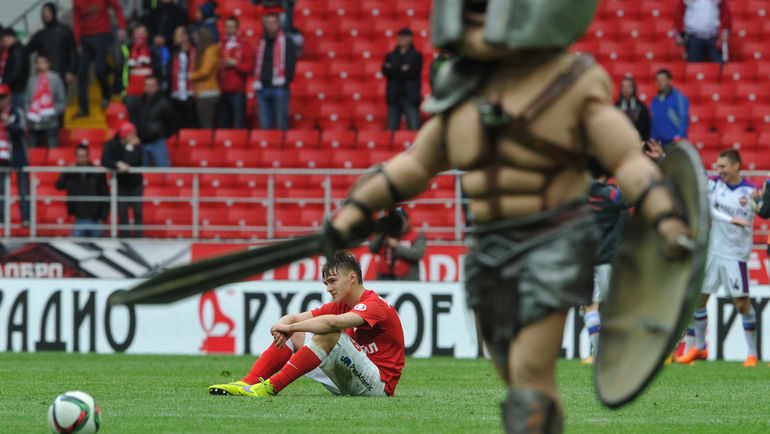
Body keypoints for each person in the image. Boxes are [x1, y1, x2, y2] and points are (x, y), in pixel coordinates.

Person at [324, 2, 692, 430]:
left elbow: (627, 159)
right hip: (488, 254)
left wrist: (666, 216)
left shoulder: (570, 86)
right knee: (513, 372)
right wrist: (355, 208)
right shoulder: (462, 93)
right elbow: (414, 165)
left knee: (530, 382)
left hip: (552, 243)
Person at [208, 250, 405, 397]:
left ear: (352, 277)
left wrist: (290, 327)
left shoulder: (374, 304)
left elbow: (332, 323)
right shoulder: (341, 305)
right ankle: (247, 383)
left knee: (328, 333)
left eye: (333, 281)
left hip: (379, 386)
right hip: (353, 376)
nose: (328, 288)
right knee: (296, 334)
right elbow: (293, 319)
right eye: (326, 283)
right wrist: (283, 327)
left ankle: (270, 387)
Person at [677, 149, 759, 367]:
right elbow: (709, 209)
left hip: (736, 255)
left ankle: (752, 353)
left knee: (742, 305)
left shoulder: (751, 190)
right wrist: (732, 219)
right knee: (699, 300)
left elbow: (762, 209)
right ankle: (700, 348)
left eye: (723, 166)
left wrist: (759, 202)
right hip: (713, 252)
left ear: (736, 166)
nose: (719, 170)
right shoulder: (714, 184)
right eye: (718, 166)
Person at [581, 177, 631, 364]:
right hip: (609, 258)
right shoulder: (611, 194)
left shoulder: (577, 193)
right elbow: (633, 200)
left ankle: (599, 354)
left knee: (590, 305)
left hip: (585, 258)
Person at [72, 0, 127, 118]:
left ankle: (106, 96)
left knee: (99, 70)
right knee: (82, 72)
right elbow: (76, 20)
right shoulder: (77, 1)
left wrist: (121, 27)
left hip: (102, 34)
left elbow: (117, 7)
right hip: (85, 37)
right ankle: (83, 108)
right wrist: (78, 43)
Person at [55, 144, 110, 237]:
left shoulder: (97, 174)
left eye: (84, 156)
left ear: (88, 156)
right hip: (79, 219)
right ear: (76, 157)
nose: (82, 159)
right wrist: (66, 171)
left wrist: (103, 217)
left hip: (95, 220)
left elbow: (105, 196)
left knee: (96, 249)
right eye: (80, 156)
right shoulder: (72, 173)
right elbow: (59, 186)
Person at [254, 13, 296, 130]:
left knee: (282, 124)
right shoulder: (261, 42)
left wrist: (285, 80)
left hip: (280, 88)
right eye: (268, 23)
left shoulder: (286, 42)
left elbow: (291, 63)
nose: (270, 26)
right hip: (263, 88)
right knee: (265, 125)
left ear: (279, 24)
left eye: (273, 23)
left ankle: (284, 148)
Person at [102, 121, 143, 237]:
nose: (134, 136)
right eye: (132, 134)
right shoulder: (111, 144)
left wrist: (130, 147)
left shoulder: (137, 145)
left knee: (138, 212)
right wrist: (117, 163)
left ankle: (138, 237)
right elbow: (105, 160)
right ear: (124, 134)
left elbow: (133, 162)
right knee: (123, 212)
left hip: (136, 183)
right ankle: (125, 237)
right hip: (120, 184)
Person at [25, 2, 78, 93]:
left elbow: (73, 52)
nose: (46, 15)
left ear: (54, 12)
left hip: (62, 73)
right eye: (44, 13)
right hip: (44, 75)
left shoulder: (65, 30)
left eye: (48, 12)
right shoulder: (40, 34)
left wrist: (71, 71)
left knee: (59, 101)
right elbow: (25, 50)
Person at [126, 75, 176, 167]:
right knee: (142, 174)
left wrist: (163, 135)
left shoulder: (164, 103)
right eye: (147, 85)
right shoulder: (138, 102)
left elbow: (172, 122)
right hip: (141, 142)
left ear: (157, 87)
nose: (149, 88)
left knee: (164, 172)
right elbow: (133, 121)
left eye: (152, 85)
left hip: (158, 142)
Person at [0, 83, 30, 228]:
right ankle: (2, 219)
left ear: (9, 97)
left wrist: (8, 122)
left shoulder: (17, 111)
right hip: (2, 159)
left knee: (23, 190)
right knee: (1, 190)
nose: (1, 101)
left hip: (18, 157)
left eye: (3, 97)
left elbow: (22, 130)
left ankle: (26, 218)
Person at [368, 208, 426, 281]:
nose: (397, 223)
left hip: (406, 279)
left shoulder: (416, 235)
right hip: (384, 277)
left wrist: (397, 246)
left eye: (400, 220)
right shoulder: (385, 233)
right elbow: (372, 248)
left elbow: (417, 254)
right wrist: (383, 231)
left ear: (407, 221)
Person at [382, 28, 422, 131]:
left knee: (414, 128)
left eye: (405, 37)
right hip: (394, 95)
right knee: (391, 128)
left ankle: (415, 148)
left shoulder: (416, 56)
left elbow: (413, 73)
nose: (402, 39)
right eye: (400, 37)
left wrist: (394, 69)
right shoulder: (390, 55)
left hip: (410, 96)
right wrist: (402, 69)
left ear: (411, 39)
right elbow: (385, 71)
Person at [217, 16, 253, 129]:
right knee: (223, 125)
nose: (229, 30)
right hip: (222, 90)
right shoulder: (220, 44)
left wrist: (235, 64)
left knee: (238, 125)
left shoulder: (244, 44)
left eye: (232, 27)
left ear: (237, 28)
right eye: (227, 27)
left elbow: (250, 67)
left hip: (238, 91)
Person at [25, 54, 67, 148]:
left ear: (49, 63)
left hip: (51, 121)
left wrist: (52, 112)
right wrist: (29, 113)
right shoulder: (32, 80)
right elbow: (27, 100)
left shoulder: (55, 79)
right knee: (33, 152)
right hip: (33, 122)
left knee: (53, 150)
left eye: (43, 62)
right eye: (38, 63)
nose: (41, 65)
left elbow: (62, 100)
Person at [649, 69, 689, 146]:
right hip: (657, 142)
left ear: (670, 81)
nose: (660, 83)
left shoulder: (680, 98)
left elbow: (684, 120)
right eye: (657, 80)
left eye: (662, 80)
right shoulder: (654, 100)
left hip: (673, 141)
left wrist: (680, 136)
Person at [190, 27, 220, 129]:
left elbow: (206, 71)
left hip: (208, 92)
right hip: (203, 92)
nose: (195, 41)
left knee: (206, 126)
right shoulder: (206, 51)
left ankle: (209, 145)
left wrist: (191, 76)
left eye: (196, 38)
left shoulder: (210, 50)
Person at [170, 25, 198, 128]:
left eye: (176, 35)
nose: (173, 37)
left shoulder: (196, 53)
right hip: (176, 97)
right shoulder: (173, 54)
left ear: (185, 37)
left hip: (192, 97)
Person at [124, 25, 155, 108]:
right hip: (131, 89)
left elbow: (158, 69)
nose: (140, 36)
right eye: (138, 33)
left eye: (143, 33)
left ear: (147, 35)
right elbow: (122, 70)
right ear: (133, 34)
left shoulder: (153, 49)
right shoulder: (127, 49)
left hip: (148, 90)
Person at [1, 28, 30, 112]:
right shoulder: (15, 50)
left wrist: (4, 83)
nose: (3, 43)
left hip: (16, 91)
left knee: (16, 115)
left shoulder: (17, 51)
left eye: (3, 40)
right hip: (16, 90)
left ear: (11, 37)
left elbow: (15, 72)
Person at [615, 76, 650, 142]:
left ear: (633, 88)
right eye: (623, 87)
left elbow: (646, 129)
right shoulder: (615, 107)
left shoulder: (642, 107)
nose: (626, 89)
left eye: (628, 87)